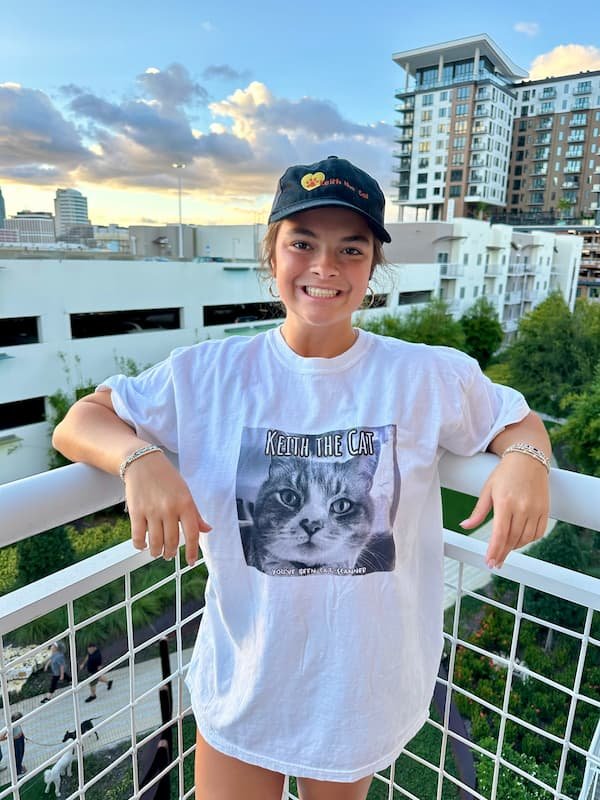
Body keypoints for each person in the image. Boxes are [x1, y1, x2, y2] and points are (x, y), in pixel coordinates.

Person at [52, 155, 551, 800]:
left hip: (361, 689)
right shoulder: (207, 374)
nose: (325, 266)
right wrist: (138, 459)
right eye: (303, 243)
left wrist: (526, 461)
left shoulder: (425, 374)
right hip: (244, 677)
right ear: (272, 253)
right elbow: (81, 421)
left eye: (351, 248)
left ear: (373, 266)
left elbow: (516, 421)